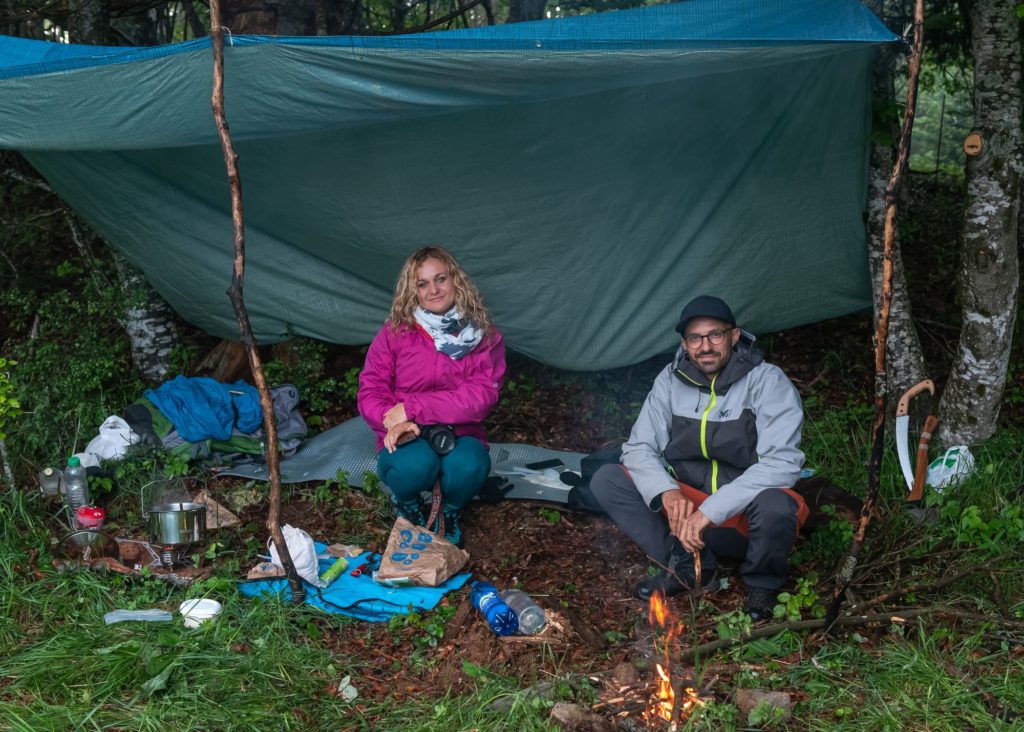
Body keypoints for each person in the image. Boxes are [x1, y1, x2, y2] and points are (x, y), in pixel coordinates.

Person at [590, 295, 808, 619]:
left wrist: (710, 510)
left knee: (777, 504)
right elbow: (638, 448)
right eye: (695, 338)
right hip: (687, 517)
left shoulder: (767, 381)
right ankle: (689, 567)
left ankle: (763, 588)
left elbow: (782, 464)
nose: (705, 346)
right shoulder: (670, 379)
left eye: (715, 335)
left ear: (734, 336)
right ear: (685, 343)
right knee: (607, 479)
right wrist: (668, 492)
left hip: (744, 519)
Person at [358, 246, 506, 547]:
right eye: (423, 284)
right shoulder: (396, 332)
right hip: (408, 431)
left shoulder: (483, 335)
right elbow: (371, 388)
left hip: (460, 431)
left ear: (456, 280)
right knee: (411, 465)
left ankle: (449, 513)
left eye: (440, 279)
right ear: (413, 291)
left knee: (471, 465)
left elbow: (480, 397)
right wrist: (393, 422)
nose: (434, 290)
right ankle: (408, 507)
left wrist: (412, 407)